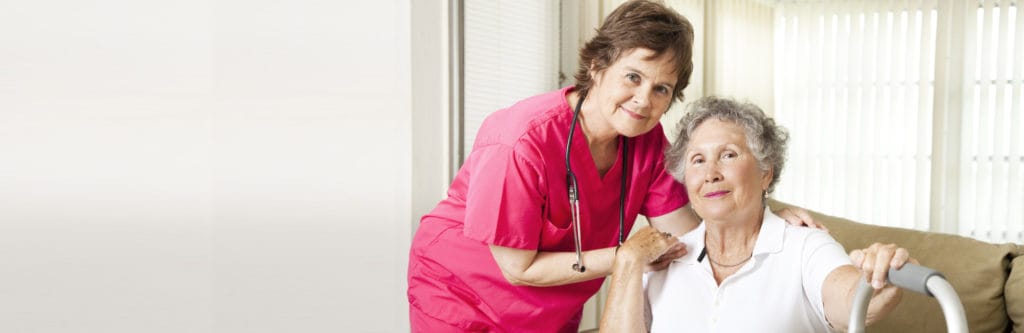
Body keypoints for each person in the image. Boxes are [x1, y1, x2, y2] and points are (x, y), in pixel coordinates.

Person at [407, 2, 821, 332]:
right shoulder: (520, 140)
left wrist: (764, 221)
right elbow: (518, 268)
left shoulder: (648, 144)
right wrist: (628, 257)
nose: (644, 99)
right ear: (597, 66)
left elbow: (690, 236)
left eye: (662, 88)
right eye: (633, 77)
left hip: (549, 310)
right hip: (462, 298)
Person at [599, 97, 916, 332]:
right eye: (697, 160)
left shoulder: (806, 246)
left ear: (765, 172)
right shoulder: (667, 257)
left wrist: (883, 276)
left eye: (728, 155)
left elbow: (852, 302)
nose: (711, 173)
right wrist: (627, 261)